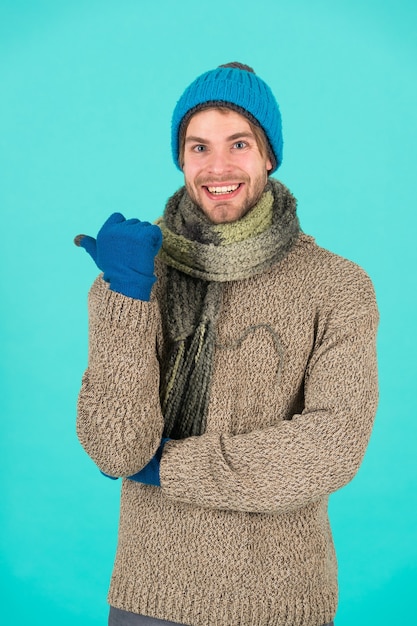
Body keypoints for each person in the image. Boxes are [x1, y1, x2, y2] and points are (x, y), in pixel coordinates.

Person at [75, 62, 379, 626]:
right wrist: (127, 297)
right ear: (181, 159)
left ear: (268, 155)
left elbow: (332, 446)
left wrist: (171, 468)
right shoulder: (133, 276)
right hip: (149, 598)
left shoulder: (338, 286)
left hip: (283, 603)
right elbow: (116, 452)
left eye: (238, 143)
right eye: (198, 147)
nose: (218, 167)